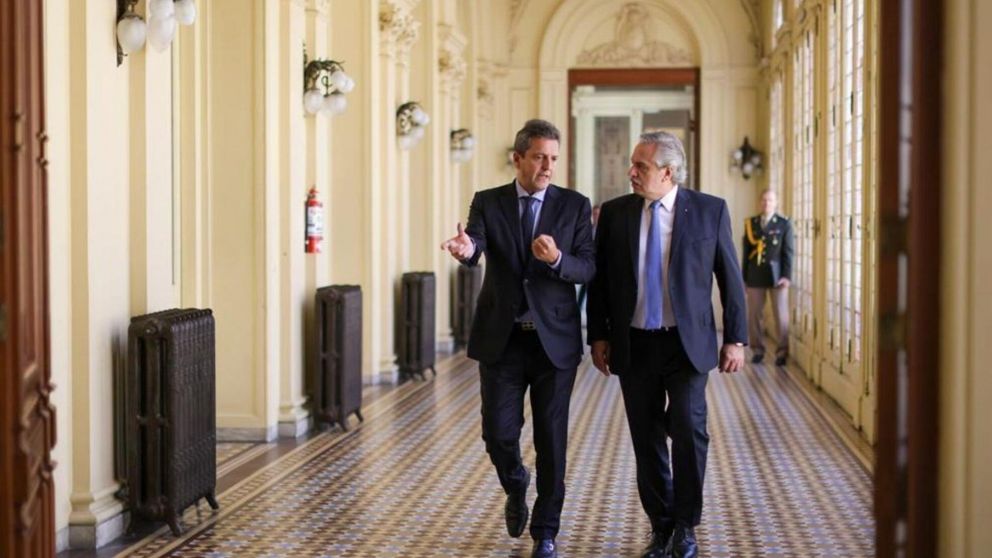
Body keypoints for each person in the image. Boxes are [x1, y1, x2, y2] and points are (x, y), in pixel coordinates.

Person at [586, 131, 747, 558]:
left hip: (686, 344)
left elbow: (730, 278)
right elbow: (600, 281)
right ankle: (661, 526)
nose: (631, 172)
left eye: (641, 166)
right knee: (646, 436)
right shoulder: (617, 214)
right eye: (632, 164)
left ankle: (686, 525)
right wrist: (598, 335)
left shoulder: (709, 211)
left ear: (668, 172)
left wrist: (735, 338)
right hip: (634, 343)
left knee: (690, 434)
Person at [441, 119, 595, 558]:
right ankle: (515, 482)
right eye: (539, 157)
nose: (547, 166)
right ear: (518, 158)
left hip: (554, 341)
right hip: (503, 339)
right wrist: (466, 250)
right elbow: (475, 244)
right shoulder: (489, 202)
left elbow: (587, 267)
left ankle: (546, 531)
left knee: (551, 439)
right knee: (498, 433)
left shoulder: (574, 205)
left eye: (553, 159)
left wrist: (559, 258)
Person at [741, 188, 794, 366]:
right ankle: (757, 350)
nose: (766, 203)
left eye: (770, 200)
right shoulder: (751, 223)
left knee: (781, 315)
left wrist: (787, 276)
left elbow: (788, 252)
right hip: (755, 275)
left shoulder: (784, 223)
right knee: (754, 314)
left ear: (776, 203)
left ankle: (782, 352)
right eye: (763, 200)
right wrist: (744, 278)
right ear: (759, 202)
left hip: (777, 276)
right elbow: (746, 253)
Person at [575, 204, 601, 310]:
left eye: (598, 214)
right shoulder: (587, 228)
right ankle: (578, 308)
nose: (596, 216)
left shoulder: (605, 229)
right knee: (584, 289)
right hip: (587, 263)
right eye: (594, 214)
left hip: (599, 265)